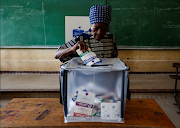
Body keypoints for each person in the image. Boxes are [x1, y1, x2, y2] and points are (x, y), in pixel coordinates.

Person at [55, 5, 131, 100]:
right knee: (87, 109)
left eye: (104, 29)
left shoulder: (111, 38)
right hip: (86, 83)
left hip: (106, 83)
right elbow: (57, 55)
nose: (99, 33)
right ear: (91, 25)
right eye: (96, 28)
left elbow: (114, 58)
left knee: (105, 107)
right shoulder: (81, 38)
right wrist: (72, 48)